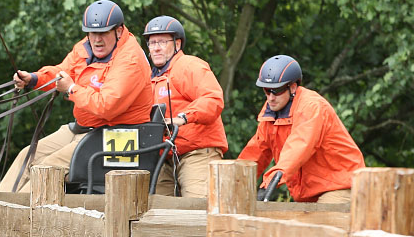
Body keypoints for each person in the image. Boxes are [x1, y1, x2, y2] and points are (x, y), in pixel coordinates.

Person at [0, 0, 152, 193]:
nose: (97, 40)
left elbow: (107, 106)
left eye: (103, 33)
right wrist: (34, 79)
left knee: (47, 168)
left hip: (114, 134)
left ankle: (17, 219)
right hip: (84, 128)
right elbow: (63, 71)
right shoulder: (86, 47)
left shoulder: (130, 59)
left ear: (118, 31)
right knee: (28, 155)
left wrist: (71, 89)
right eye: (92, 33)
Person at [238, 55, 365, 203]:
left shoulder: (311, 106)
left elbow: (299, 145)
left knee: (320, 222)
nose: (271, 97)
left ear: (292, 87)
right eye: (267, 90)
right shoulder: (271, 113)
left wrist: (269, 183)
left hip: (341, 185)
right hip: (309, 193)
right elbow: (255, 153)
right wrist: (235, 181)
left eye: (277, 90)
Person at [143, 16, 227, 198]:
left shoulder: (189, 66)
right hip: (164, 159)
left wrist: (183, 117)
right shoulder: (149, 79)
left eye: (162, 42)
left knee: (196, 209)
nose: (156, 47)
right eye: (152, 42)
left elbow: (213, 99)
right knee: (152, 209)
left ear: (177, 44)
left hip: (196, 153)